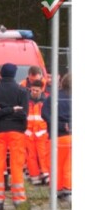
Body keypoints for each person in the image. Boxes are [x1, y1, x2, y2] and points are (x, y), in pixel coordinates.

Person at [0, 63, 31, 210]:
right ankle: (19, 199)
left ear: (0, 74)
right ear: (14, 74)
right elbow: (24, 114)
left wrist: (1, 110)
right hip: (17, 131)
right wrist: (12, 110)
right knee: (17, 165)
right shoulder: (22, 91)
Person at [41, 73, 71, 202]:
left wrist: (59, 125)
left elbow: (45, 114)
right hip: (72, 136)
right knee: (70, 165)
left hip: (56, 137)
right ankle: (68, 190)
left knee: (55, 165)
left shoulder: (52, 98)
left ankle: (56, 190)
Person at [24, 69, 51, 186]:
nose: (34, 92)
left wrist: (46, 130)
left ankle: (46, 174)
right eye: (33, 90)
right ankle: (35, 177)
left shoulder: (45, 101)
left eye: (36, 90)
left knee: (43, 154)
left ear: (41, 90)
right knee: (31, 156)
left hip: (41, 132)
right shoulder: (25, 100)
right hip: (29, 133)